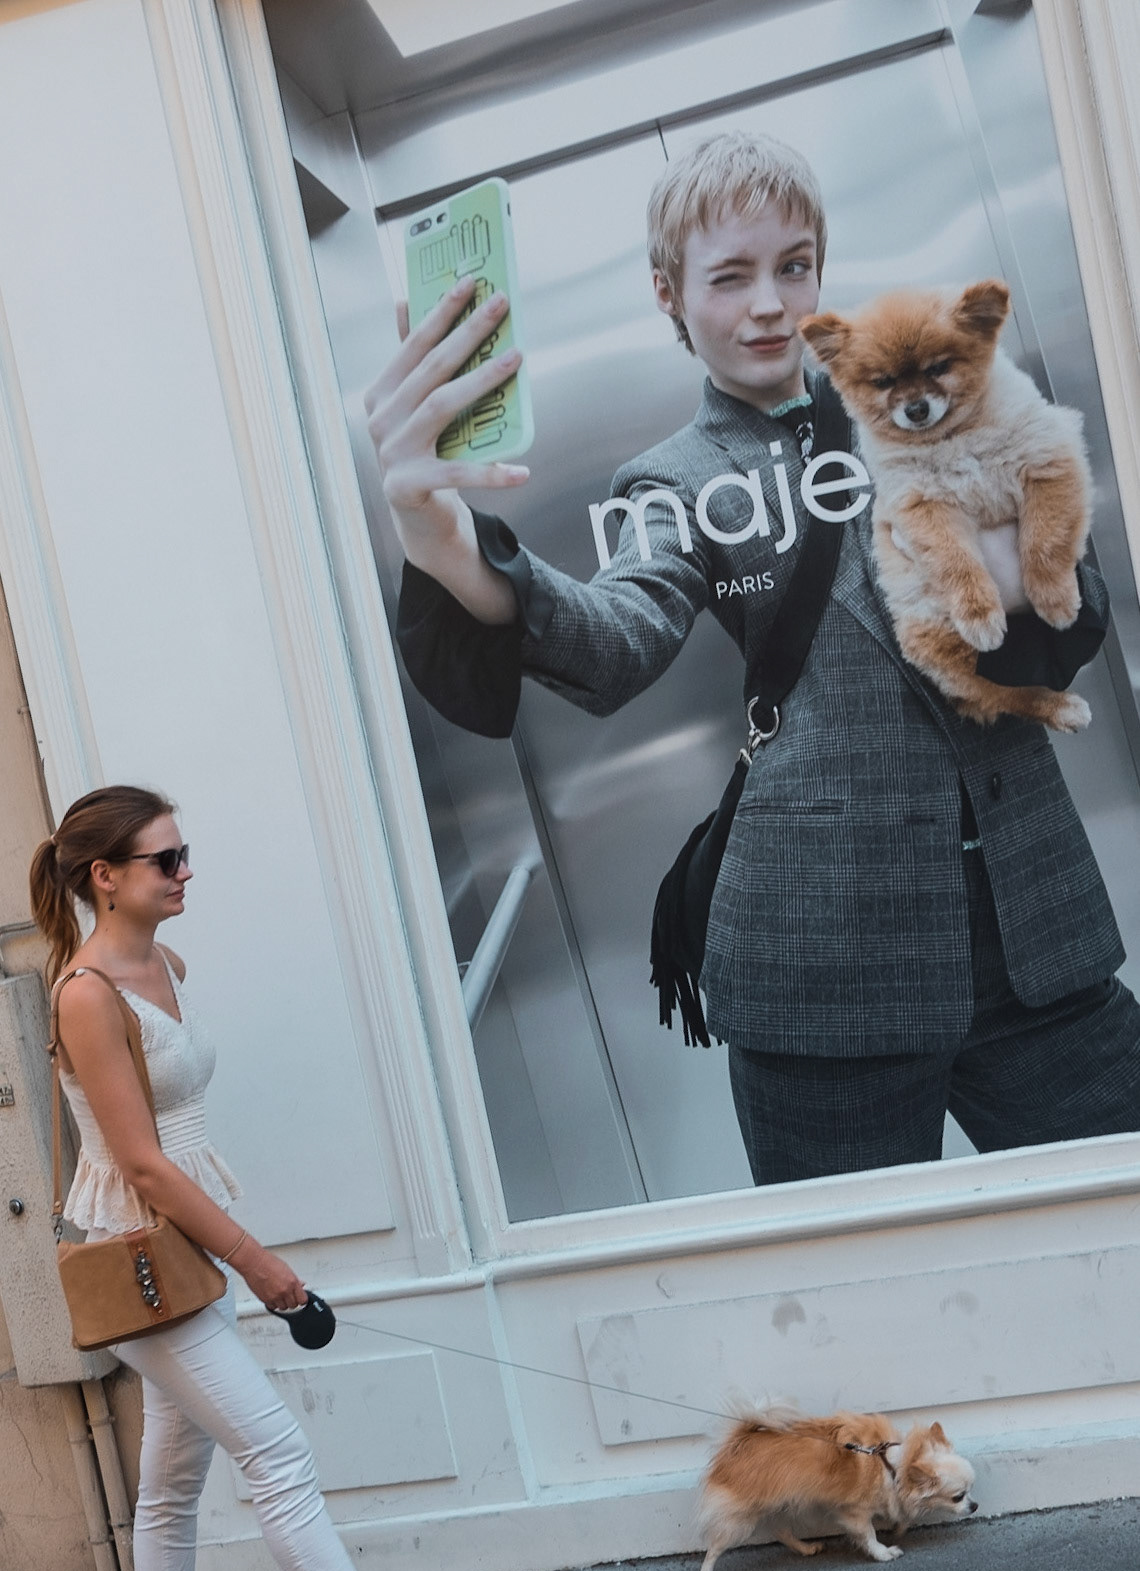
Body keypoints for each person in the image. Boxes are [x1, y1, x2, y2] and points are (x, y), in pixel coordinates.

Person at [364, 130, 1140, 1186]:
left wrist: (1027, 577)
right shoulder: (670, 481)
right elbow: (614, 642)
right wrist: (439, 537)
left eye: (792, 265)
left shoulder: (928, 390)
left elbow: (1075, 615)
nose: (768, 304)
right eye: (728, 277)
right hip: (822, 960)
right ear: (667, 296)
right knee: (855, 1303)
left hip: (1030, 927)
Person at [30, 786, 494, 1571]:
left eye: (183, 852)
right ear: (104, 878)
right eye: (164, 860)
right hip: (146, 1257)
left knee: (170, 1478)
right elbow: (144, 1165)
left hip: (184, 1250)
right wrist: (258, 1263)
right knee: (275, 1450)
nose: (185, 871)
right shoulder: (85, 997)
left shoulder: (166, 961)